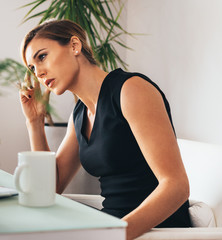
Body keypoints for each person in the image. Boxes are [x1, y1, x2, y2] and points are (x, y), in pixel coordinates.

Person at [18, 19, 191, 240]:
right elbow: (47, 190)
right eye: (31, 68)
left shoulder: (131, 90)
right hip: (111, 226)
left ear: (74, 46)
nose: (38, 73)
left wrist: (113, 234)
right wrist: (34, 122)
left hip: (154, 231)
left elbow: (176, 186)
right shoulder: (80, 114)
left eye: (42, 57)